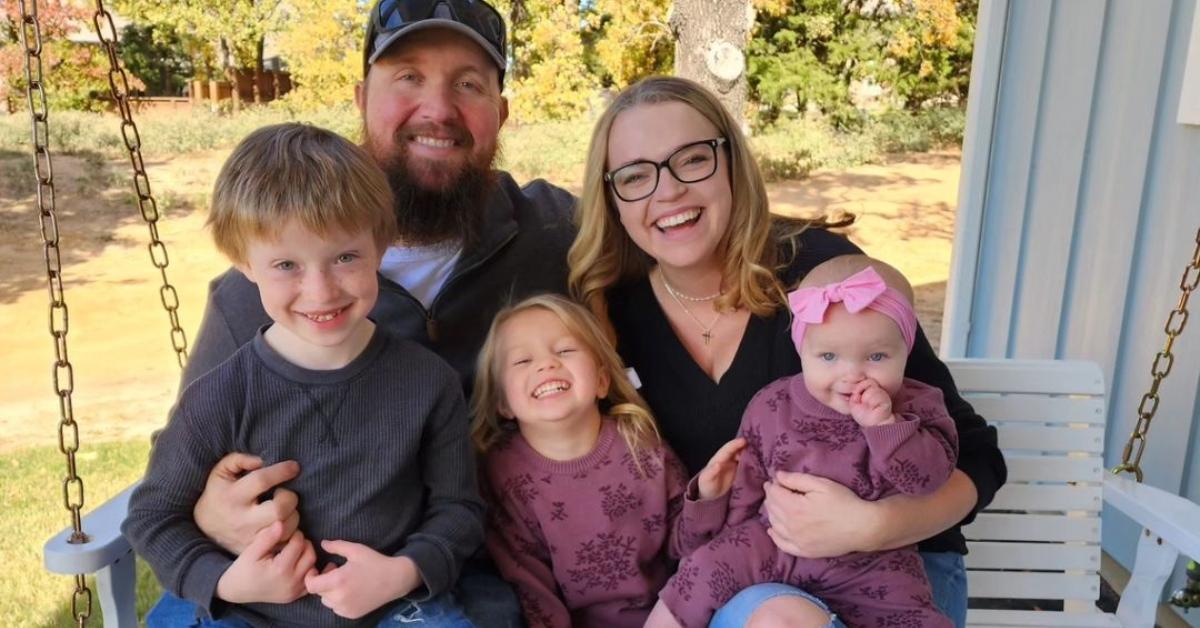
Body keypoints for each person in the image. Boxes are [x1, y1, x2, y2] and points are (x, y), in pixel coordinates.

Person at [169, 1, 573, 624]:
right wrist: (208, 517)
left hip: (469, 579)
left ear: (502, 112)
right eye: (408, 76)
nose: (438, 108)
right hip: (283, 595)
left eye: (468, 83)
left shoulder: (558, 233)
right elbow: (180, 467)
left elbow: (703, 212)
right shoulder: (250, 294)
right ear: (362, 97)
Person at [568, 76, 1006, 627]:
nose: (668, 190)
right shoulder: (615, 316)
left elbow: (977, 457)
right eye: (635, 175)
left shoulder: (821, 277)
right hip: (756, 579)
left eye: (692, 159)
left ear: (731, 163)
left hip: (899, 577)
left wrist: (871, 526)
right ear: (611, 196)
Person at [124, 123, 485, 627]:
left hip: (395, 606)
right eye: (287, 264)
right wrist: (229, 583)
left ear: (380, 246)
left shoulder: (429, 382)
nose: (320, 292)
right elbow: (152, 518)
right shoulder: (221, 396)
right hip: (250, 611)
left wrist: (400, 573)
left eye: (344, 257)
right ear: (244, 264)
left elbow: (460, 509)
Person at [645, 256, 958, 628]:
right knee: (702, 570)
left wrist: (885, 426)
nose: (851, 374)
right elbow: (749, 482)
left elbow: (928, 479)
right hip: (774, 543)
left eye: (876, 356)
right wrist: (723, 523)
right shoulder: (773, 403)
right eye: (828, 356)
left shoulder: (919, 405)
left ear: (906, 351)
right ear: (803, 351)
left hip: (873, 562)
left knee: (915, 618)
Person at [470, 294, 746, 627]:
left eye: (565, 351)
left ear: (602, 380)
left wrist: (705, 496)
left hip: (668, 616)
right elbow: (529, 586)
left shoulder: (640, 446)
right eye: (522, 361)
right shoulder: (502, 474)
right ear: (502, 402)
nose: (546, 364)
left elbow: (686, 551)